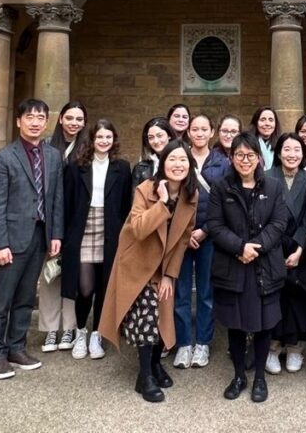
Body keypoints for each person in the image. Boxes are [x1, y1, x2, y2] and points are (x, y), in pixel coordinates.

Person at [98, 139, 198, 402]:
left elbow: (184, 239)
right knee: (148, 315)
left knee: (162, 314)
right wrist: (162, 204)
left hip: (163, 266)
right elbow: (139, 228)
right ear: (163, 163)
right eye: (172, 159)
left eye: (183, 160)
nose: (178, 165)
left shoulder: (191, 195)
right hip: (137, 262)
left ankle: (154, 364)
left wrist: (169, 275)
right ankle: (144, 376)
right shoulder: (146, 189)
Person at [0, 98, 64, 380]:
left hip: (40, 237)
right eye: (29, 117)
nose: (35, 122)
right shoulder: (4, 157)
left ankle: (16, 347)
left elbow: (55, 198)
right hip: (11, 240)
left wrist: (56, 235)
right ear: (19, 121)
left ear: (46, 122)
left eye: (40, 117)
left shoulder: (53, 156)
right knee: (1, 301)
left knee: (26, 298)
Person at [206, 132, 288, 403]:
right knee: (236, 324)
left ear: (259, 158)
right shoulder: (220, 187)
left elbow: (279, 223)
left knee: (264, 325)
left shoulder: (274, 187)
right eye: (239, 155)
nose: (244, 160)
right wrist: (240, 247)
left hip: (264, 266)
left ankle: (260, 379)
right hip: (233, 265)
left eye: (250, 155)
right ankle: (240, 375)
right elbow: (215, 226)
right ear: (231, 158)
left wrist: (256, 248)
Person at [62, 119, 133, 361]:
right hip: (83, 228)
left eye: (108, 137)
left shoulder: (122, 168)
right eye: (99, 137)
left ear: (114, 140)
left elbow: (126, 204)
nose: (104, 141)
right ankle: (81, 332)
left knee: (104, 287)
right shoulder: (76, 166)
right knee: (85, 288)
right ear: (92, 140)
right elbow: (67, 203)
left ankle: (97, 335)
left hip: (110, 229)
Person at [264, 133, 306, 374]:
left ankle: (295, 347)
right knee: (276, 296)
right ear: (278, 152)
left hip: (300, 246)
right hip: (273, 245)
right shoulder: (266, 177)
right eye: (287, 149)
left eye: (297, 149)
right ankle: (273, 347)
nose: (292, 154)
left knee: (298, 297)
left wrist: (299, 249)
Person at [173, 114, 222, 370]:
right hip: (181, 236)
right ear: (188, 132)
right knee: (181, 291)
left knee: (205, 293)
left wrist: (204, 230)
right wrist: (185, 232)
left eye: (204, 128)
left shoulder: (221, 162)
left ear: (211, 132)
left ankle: (202, 342)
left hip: (209, 236)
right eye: (195, 129)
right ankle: (183, 343)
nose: (200, 133)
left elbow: (223, 203)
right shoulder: (180, 157)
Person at [39, 101, 87, 354]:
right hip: (50, 220)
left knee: (72, 276)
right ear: (61, 120)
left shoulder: (85, 149)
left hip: (75, 221)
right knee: (49, 276)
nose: (74, 123)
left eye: (79, 119)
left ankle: (69, 326)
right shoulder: (47, 146)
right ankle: (49, 329)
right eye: (70, 118)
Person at [133, 117, 173, 190]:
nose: (156, 141)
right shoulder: (140, 168)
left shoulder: (181, 162)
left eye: (160, 136)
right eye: (151, 137)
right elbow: (135, 198)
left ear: (169, 135)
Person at [204, 114, 241, 183]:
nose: (228, 135)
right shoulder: (208, 156)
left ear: (240, 134)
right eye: (224, 131)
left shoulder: (249, 156)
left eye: (233, 132)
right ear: (218, 133)